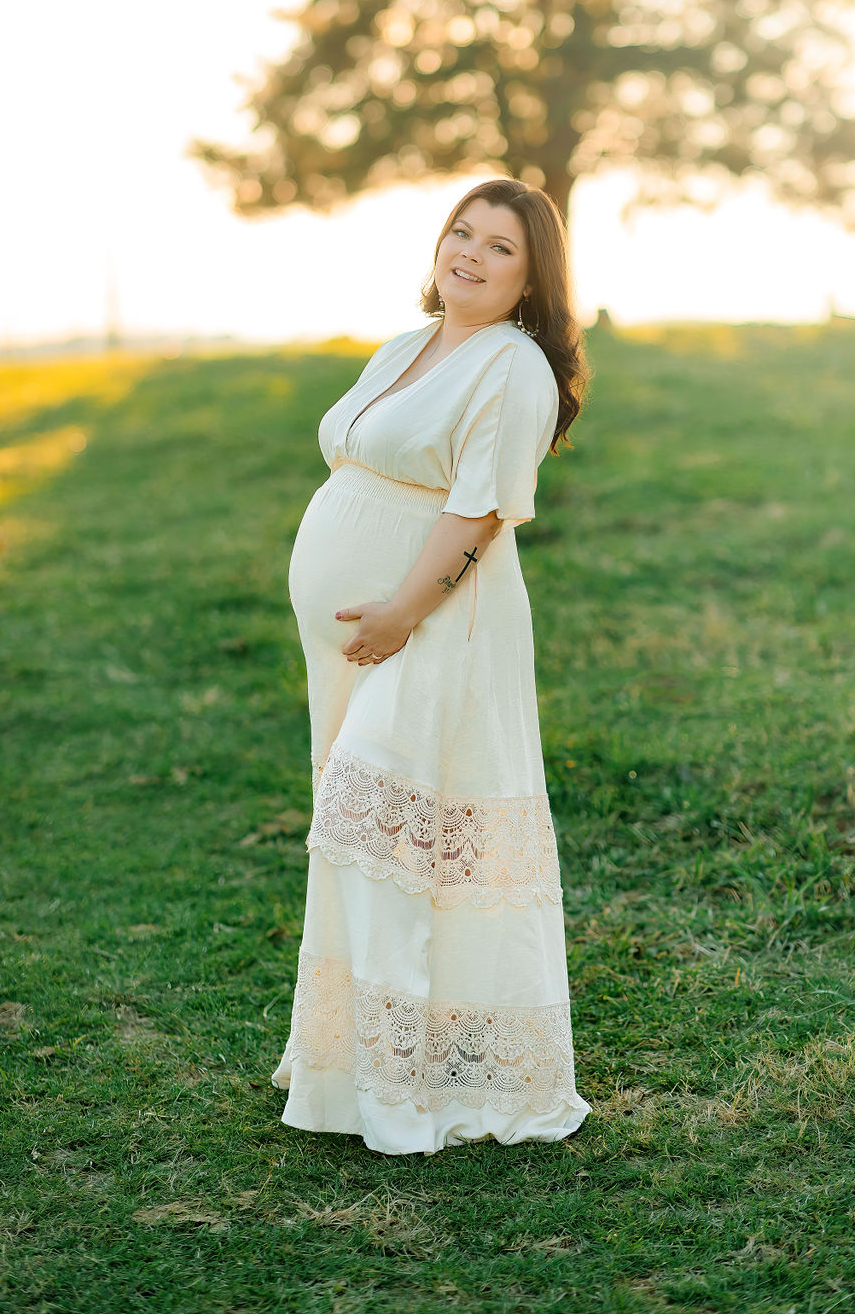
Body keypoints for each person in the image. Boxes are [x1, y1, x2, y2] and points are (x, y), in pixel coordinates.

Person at [270, 176, 594, 1154]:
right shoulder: (406, 348)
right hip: (360, 638)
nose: (471, 253)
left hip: (438, 628)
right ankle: (348, 1070)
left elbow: (482, 507)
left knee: (389, 842)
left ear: (532, 280)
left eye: (500, 247)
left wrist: (403, 610)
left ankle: (415, 1084)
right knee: (364, 843)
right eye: (462, 232)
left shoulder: (512, 368)